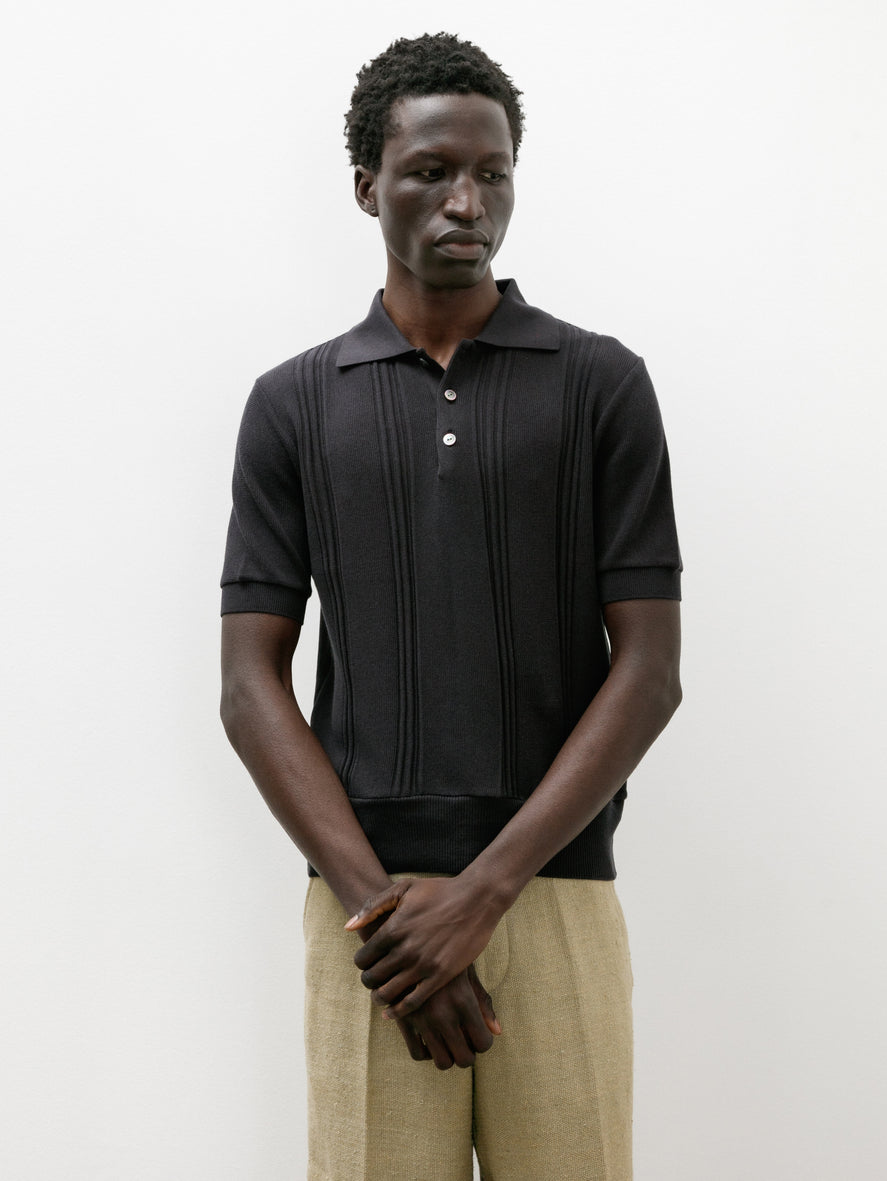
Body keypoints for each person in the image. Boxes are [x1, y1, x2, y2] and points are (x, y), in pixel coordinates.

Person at [220, 31, 682, 1181]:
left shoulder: (600, 385)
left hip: (556, 892)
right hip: (368, 917)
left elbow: (650, 670)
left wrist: (483, 892)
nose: (467, 201)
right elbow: (247, 685)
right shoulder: (293, 404)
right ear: (367, 185)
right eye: (430, 171)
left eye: (492, 172)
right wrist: (383, 915)